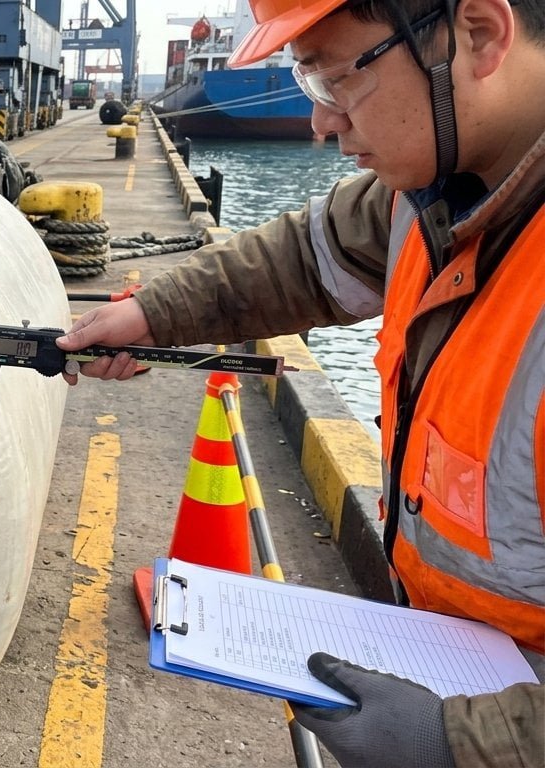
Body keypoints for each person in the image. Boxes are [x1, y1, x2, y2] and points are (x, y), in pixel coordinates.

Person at [55, 0, 545, 766]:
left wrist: (457, 745)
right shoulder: (429, 199)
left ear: (479, 34)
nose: (323, 125)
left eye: (337, 81)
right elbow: (303, 260)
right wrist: (153, 313)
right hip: (445, 662)